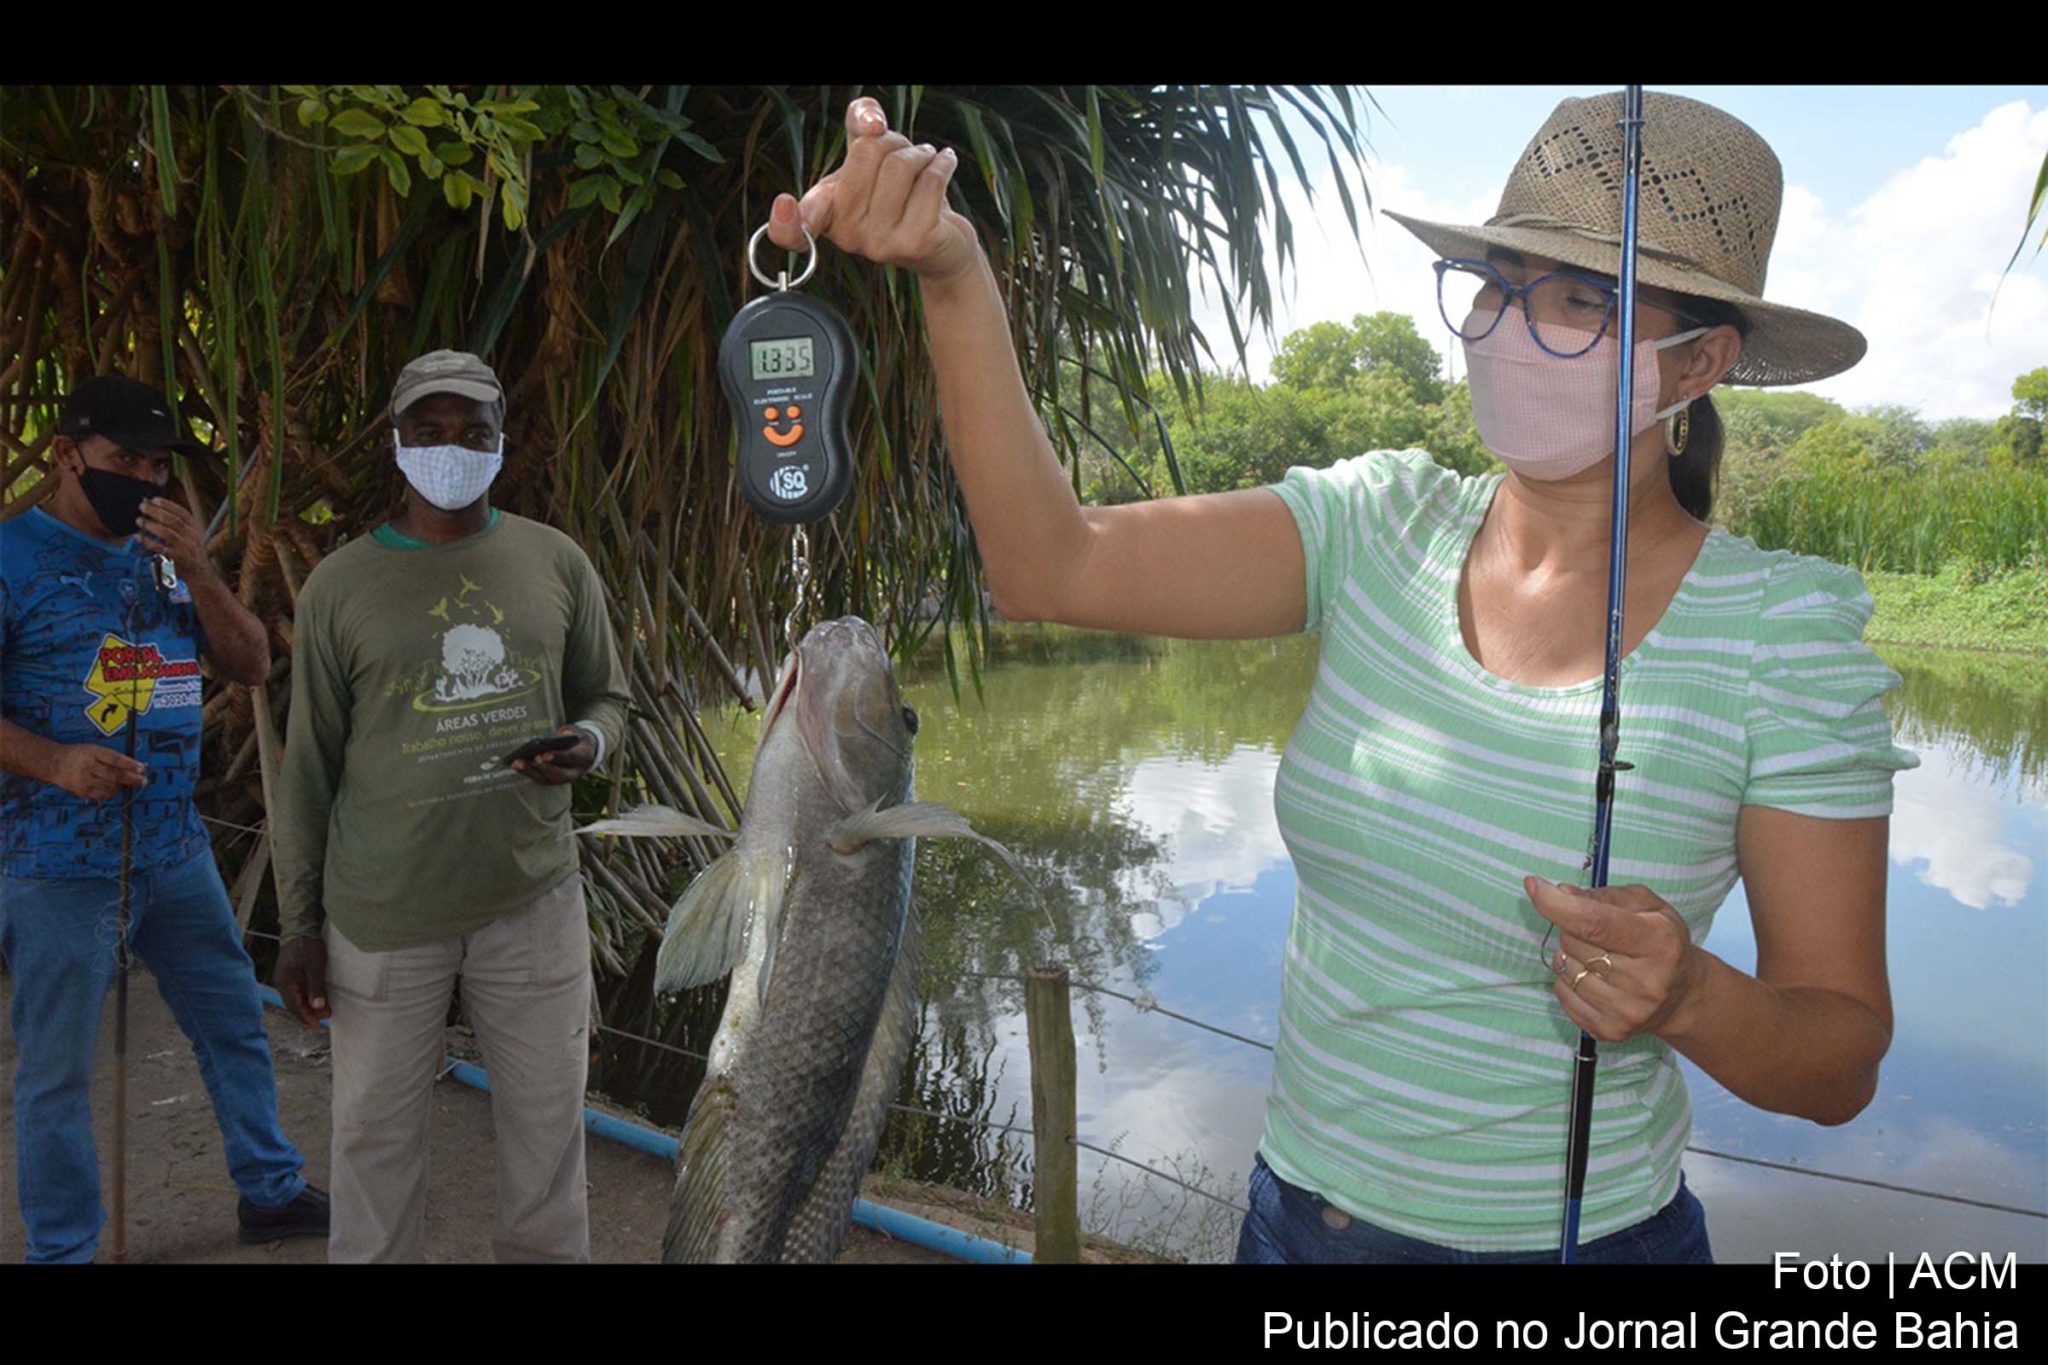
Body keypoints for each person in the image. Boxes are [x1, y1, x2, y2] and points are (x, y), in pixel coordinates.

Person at [768, 92, 1915, 1263]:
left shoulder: (1787, 635)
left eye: (1581, 300)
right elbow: (1047, 563)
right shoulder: (1375, 523)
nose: (1510, 327)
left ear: (1700, 361)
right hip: (1294, 1224)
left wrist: (1690, 1001)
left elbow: (1835, 1063)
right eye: (1498, 284)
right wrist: (955, 274)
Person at [270, 349, 630, 1262]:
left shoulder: (556, 560)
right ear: (395, 443)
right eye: (428, 431)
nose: (450, 449)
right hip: (382, 917)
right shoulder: (339, 588)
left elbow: (607, 698)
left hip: (533, 902)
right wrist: (299, 924)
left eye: (472, 431)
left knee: (549, 1141)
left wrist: (587, 744)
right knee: (373, 1142)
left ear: (501, 442)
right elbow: (309, 767)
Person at [0, 375, 326, 1262]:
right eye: (122, 459)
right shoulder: (11, 557)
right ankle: (64, 1247)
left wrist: (201, 571)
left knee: (231, 1021)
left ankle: (271, 1189)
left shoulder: (166, 553)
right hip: (56, 862)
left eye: (156, 464)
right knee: (58, 1071)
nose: (144, 479)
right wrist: (58, 761)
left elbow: (254, 663)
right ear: (67, 454)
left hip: (176, 851)